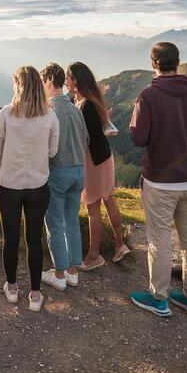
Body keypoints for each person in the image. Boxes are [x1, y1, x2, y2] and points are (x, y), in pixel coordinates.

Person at [129, 42, 187, 318]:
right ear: (178, 62)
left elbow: (138, 138)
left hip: (160, 181)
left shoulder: (148, 96)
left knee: (160, 239)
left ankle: (159, 298)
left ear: (153, 63)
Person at [0, 66, 59, 312]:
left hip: (9, 184)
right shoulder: (50, 115)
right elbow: (52, 151)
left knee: (10, 238)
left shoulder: (6, 114)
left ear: (17, 86)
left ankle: (11, 287)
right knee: (34, 240)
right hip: (38, 185)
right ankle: (36, 294)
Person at [65, 62, 129, 271]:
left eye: (68, 77)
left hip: (93, 161)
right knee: (109, 200)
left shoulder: (85, 106)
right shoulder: (90, 101)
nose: (66, 82)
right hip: (103, 158)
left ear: (76, 80)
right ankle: (120, 245)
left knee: (93, 207)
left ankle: (94, 255)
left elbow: (85, 138)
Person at [39, 63, 88, 291]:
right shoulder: (75, 109)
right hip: (79, 170)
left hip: (58, 171)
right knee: (72, 222)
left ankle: (58, 273)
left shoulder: (49, 110)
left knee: (55, 223)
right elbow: (86, 139)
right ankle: (72, 271)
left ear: (48, 81)